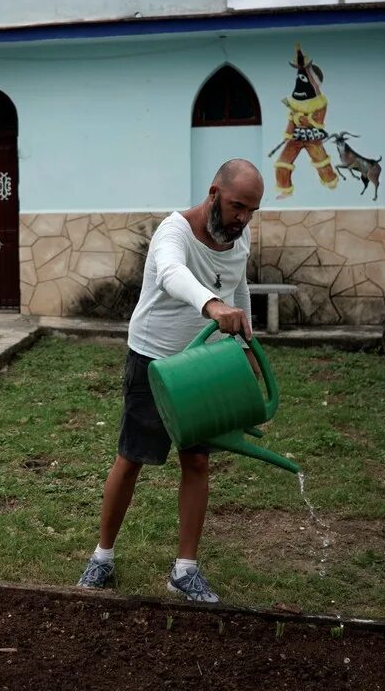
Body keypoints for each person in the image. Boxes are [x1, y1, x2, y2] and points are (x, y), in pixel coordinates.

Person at [76, 158, 265, 603]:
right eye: (238, 206)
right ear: (214, 192)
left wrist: (247, 347)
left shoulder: (241, 235)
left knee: (197, 461)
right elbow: (171, 274)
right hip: (154, 360)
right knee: (132, 457)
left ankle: (185, 569)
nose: (243, 218)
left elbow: (239, 288)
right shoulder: (173, 232)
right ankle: (102, 557)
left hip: (203, 365)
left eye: (251, 211)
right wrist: (213, 306)